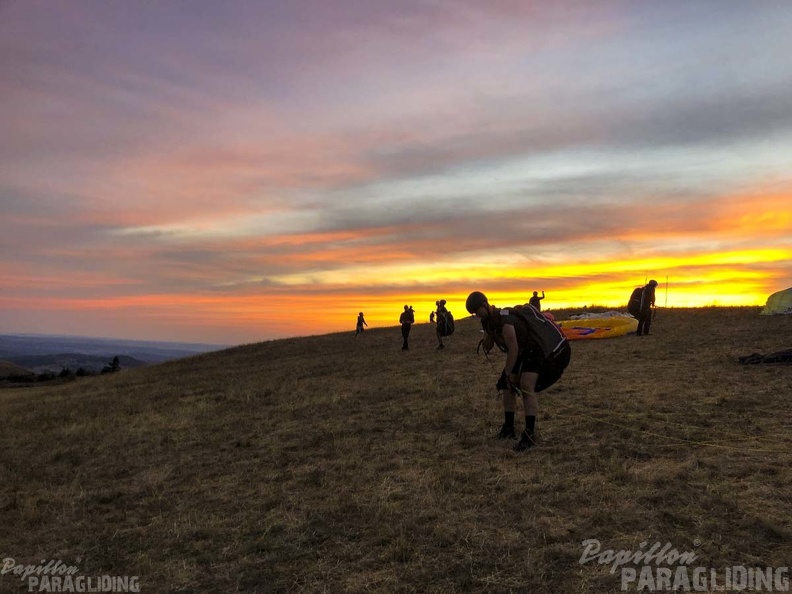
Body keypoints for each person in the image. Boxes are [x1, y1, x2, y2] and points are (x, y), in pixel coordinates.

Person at [466, 291, 571, 451]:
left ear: (485, 305)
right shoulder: (488, 321)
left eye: (477, 311)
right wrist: (488, 340)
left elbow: (513, 349)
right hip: (522, 351)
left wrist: (507, 374)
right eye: (474, 313)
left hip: (535, 349)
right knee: (507, 387)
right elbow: (491, 343)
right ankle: (508, 429)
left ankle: (529, 434)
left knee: (526, 385)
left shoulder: (505, 320)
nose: (477, 315)